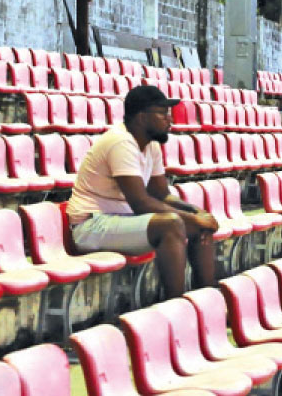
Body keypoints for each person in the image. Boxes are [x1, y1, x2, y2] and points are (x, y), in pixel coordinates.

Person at [65, 85, 219, 299]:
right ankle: (177, 305)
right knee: (171, 224)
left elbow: (161, 194)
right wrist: (191, 218)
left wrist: (195, 212)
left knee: (199, 227)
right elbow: (141, 203)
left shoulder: (151, 144)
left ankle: (208, 300)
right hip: (91, 226)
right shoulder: (121, 142)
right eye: (162, 114)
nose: (169, 120)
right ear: (141, 117)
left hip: (120, 221)